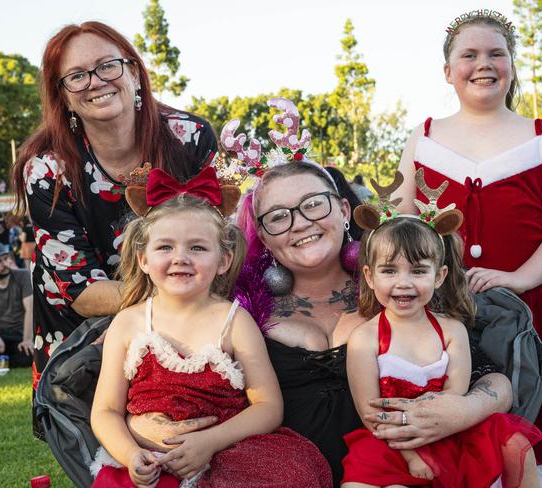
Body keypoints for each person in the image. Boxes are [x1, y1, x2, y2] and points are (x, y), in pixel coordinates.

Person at [127, 99, 514, 486]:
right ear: (261, 234)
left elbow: (490, 376)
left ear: (344, 210)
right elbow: (170, 381)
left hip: (405, 469)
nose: (300, 223)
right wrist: (138, 420)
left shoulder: (400, 285)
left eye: (314, 204)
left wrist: (464, 409)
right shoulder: (237, 307)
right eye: (278, 216)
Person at [394, 11, 542, 485]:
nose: (484, 64)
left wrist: (520, 277)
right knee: (456, 444)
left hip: (529, 311)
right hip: (443, 315)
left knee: (532, 442)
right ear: (448, 71)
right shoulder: (426, 137)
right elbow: (400, 224)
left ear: (512, 65)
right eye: (470, 55)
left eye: (496, 53)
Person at [10, 21, 217, 437]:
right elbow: (85, 292)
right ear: (63, 96)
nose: (95, 82)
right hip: (85, 335)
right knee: (113, 455)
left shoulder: (189, 137)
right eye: (77, 76)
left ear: (134, 72)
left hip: (185, 316)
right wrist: (176, 301)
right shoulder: (49, 170)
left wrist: (183, 308)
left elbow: (216, 243)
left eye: (108, 66)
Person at [90, 168, 331, 487]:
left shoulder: (233, 321)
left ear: (224, 260)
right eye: (165, 247)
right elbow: (105, 410)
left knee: (291, 477)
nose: (180, 258)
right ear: (143, 258)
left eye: (197, 248)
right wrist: (131, 455)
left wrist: (211, 441)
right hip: (148, 455)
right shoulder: (129, 323)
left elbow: (269, 406)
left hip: (227, 450)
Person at [341, 213, 542, 487]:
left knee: (516, 443)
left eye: (418, 271)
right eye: (389, 270)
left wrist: (436, 433)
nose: (404, 282)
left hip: (449, 430)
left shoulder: (451, 331)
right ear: (370, 276)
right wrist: (413, 456)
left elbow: (455, 396)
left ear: (439, 276)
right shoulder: (365, 339)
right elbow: (372, 415)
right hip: (393, 442)